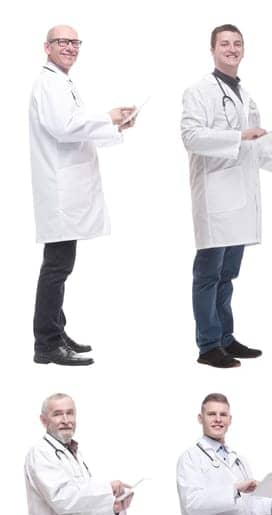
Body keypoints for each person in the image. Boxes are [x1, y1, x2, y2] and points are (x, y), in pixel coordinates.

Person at [181, 24, 272, 369]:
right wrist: (240, 135)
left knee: (228, 275)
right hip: (215, 197)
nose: (231, 49)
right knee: (209, 274)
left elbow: (253, 148)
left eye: (237, 44)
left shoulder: (247, 96)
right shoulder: (198, 91)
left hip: (241, 199)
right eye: (225, 44)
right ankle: (208, 345)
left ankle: (226, 338)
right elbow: (191, 136)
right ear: (212, 49)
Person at [29, 25, 136, 367]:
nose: (70, 47)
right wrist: (107, 117)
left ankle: (56, 331)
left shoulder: (63, 82)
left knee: (61, 265)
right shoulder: (48, 83)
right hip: (60, 192)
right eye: (63, 42)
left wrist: (115, 126)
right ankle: (46, 343)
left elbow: (76, 126)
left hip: (69, 191)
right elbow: (64, 128)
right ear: (47, 47)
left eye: (75, 42)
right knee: (56, 267)